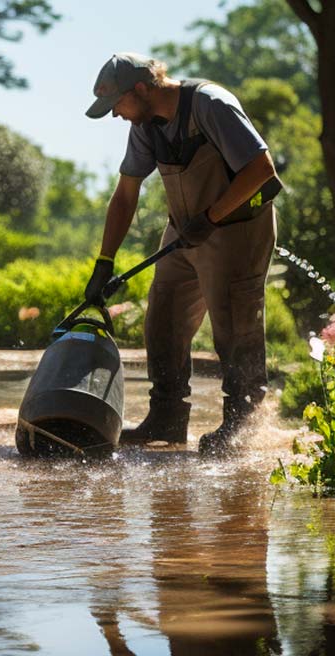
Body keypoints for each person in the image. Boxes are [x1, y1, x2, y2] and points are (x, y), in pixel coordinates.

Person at [84, 52, 280, 454]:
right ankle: (167, 418)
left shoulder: (210, 104)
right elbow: (125, 195)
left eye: (117, 105)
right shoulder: (144, 125)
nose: (116, 116)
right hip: (185, 231)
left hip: (237, 229)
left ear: (141, 88)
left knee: (234, 326)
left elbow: (262, 169)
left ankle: (242, 425)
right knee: (164, 315)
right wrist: (104, 263)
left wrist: (212, 216)